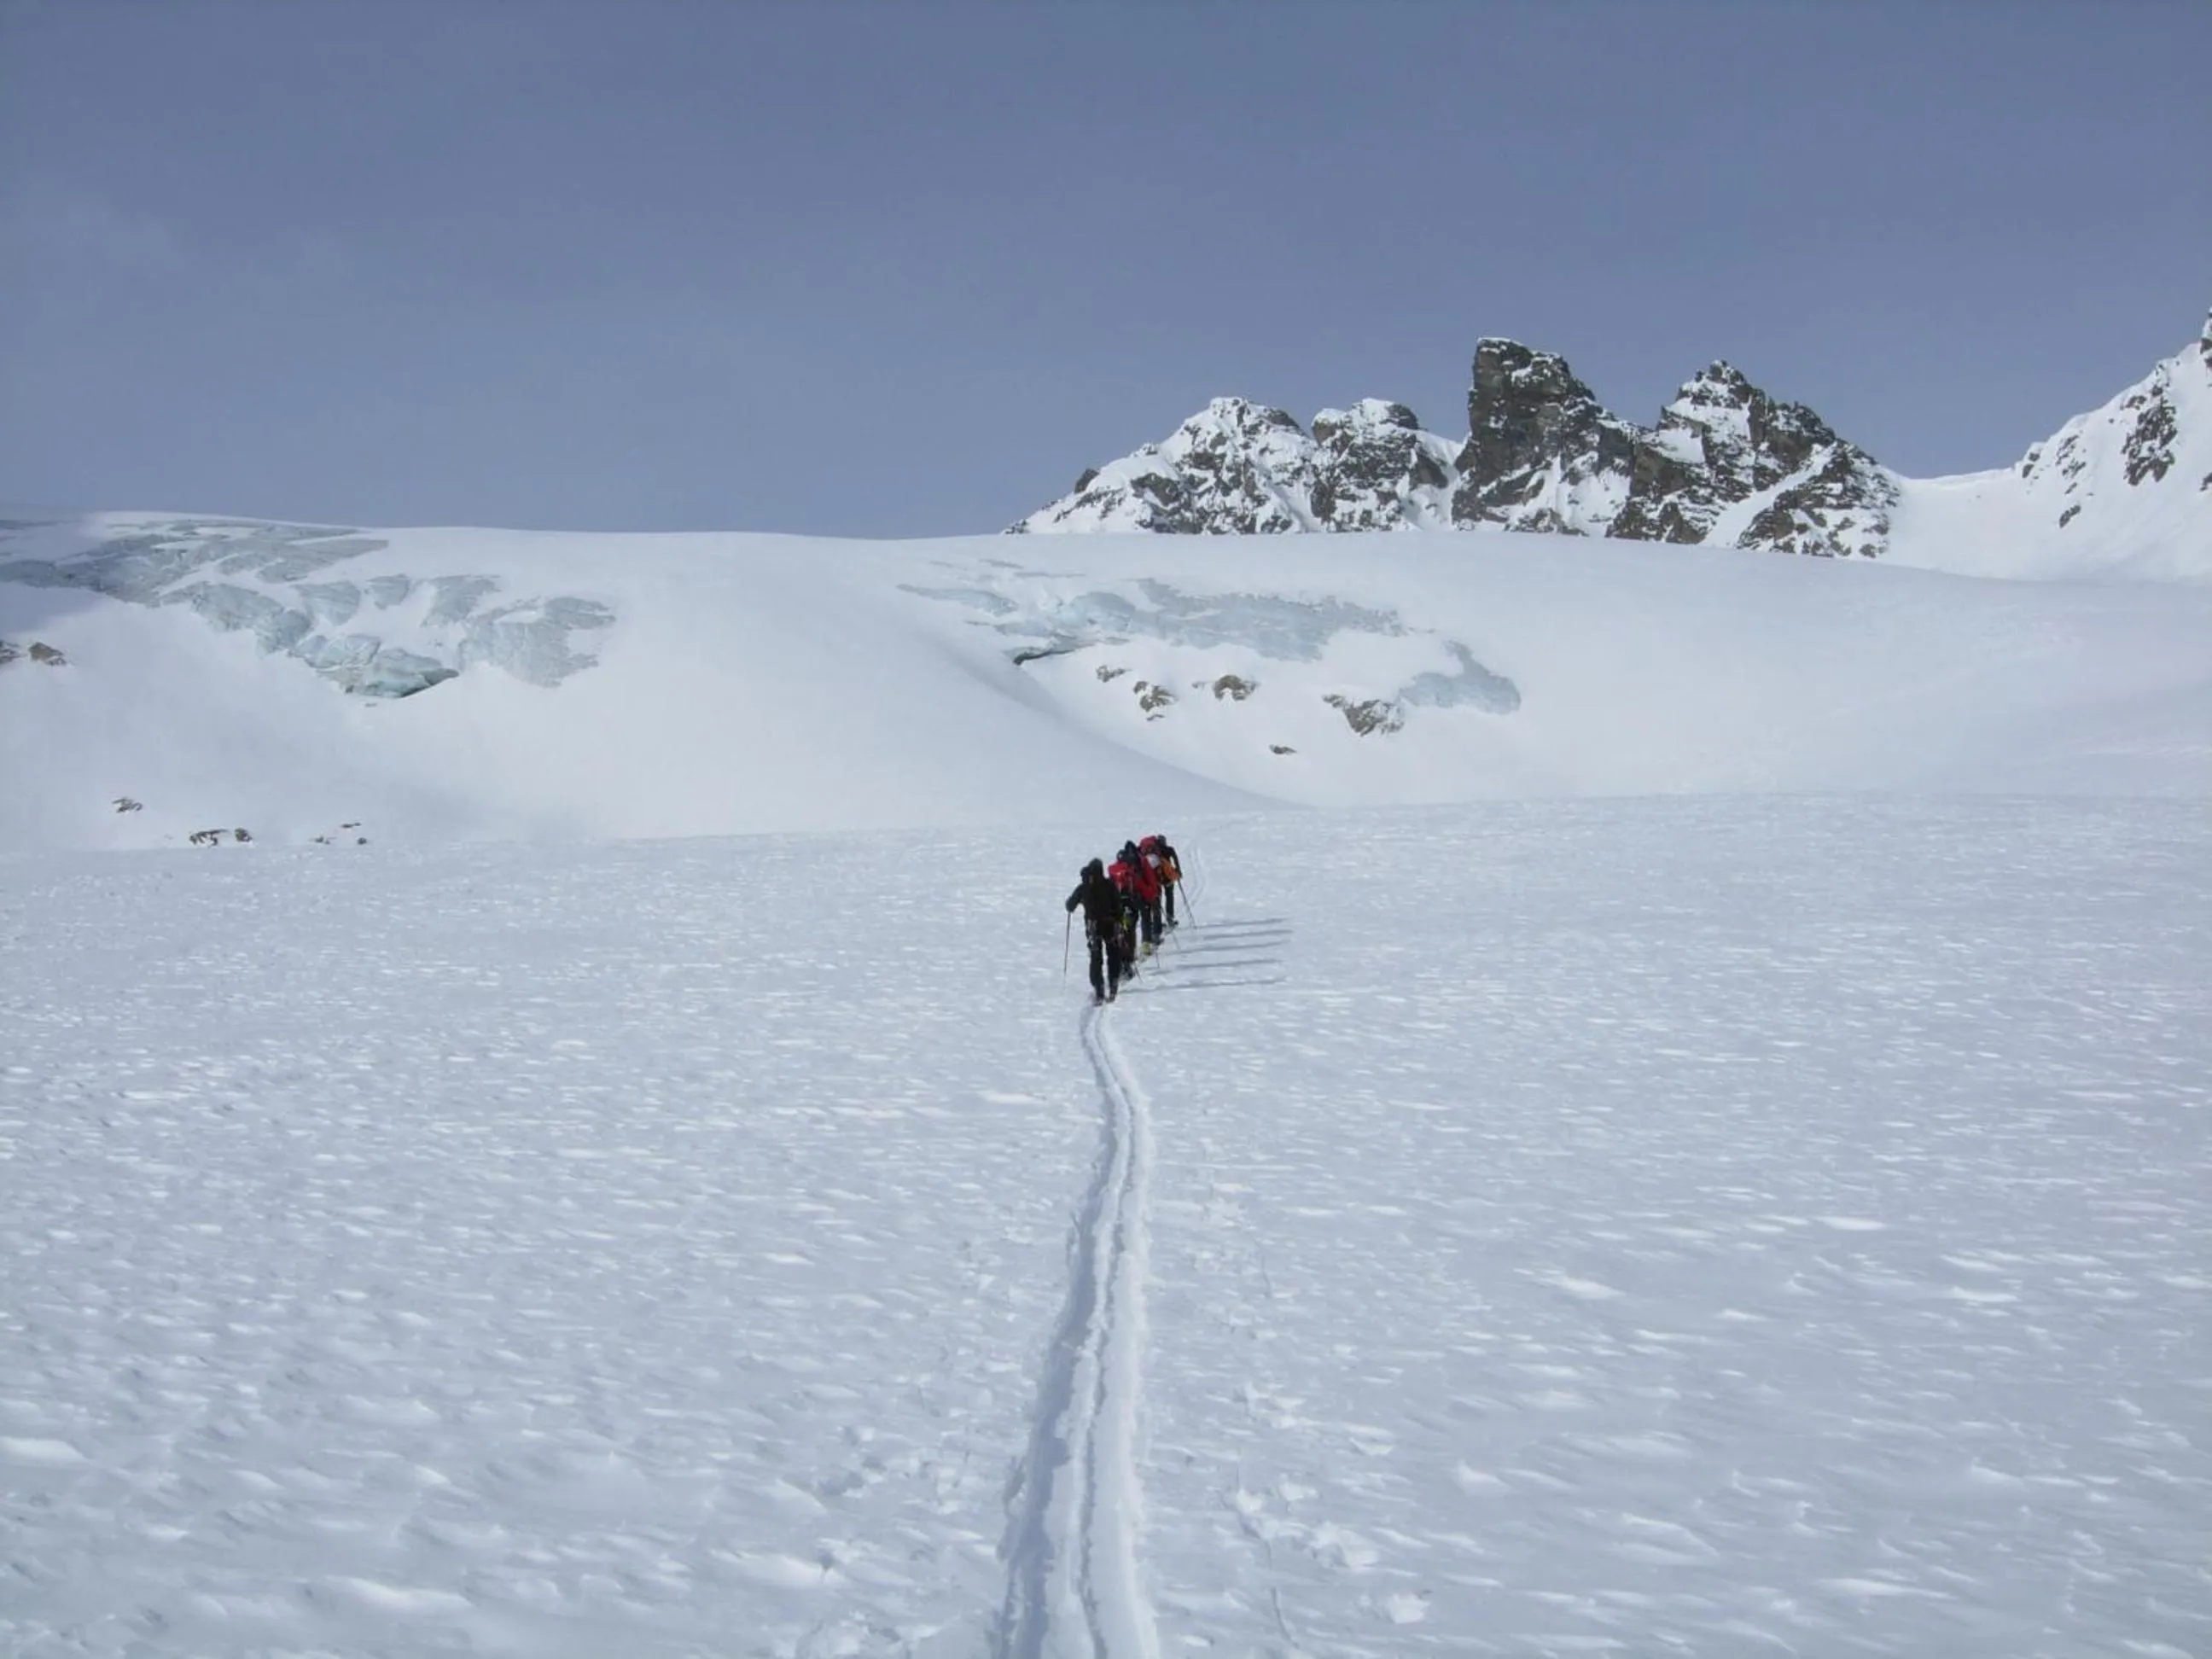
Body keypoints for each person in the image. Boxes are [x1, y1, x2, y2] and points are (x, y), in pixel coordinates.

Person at [1065, 857, 1131, 1003]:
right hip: (1110, 924)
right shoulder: (1109, 884)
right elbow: (1118, 906)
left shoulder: (1083, 887)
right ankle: (1113, 983)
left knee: (1096, 957)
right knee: (1113, 954)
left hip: (1092, 926)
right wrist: (1120, 922)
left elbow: (1070, 906)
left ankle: (1099, 988)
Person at [1143, 833, 1182, 928]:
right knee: (1169, 895)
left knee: (1157, 899)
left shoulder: (1151, 852)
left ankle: (1157, 921)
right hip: (1168, 877)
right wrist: (1178, 871)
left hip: (1156, 878)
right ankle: (1170, 917)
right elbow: (1175, 860)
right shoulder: (1169, 849)